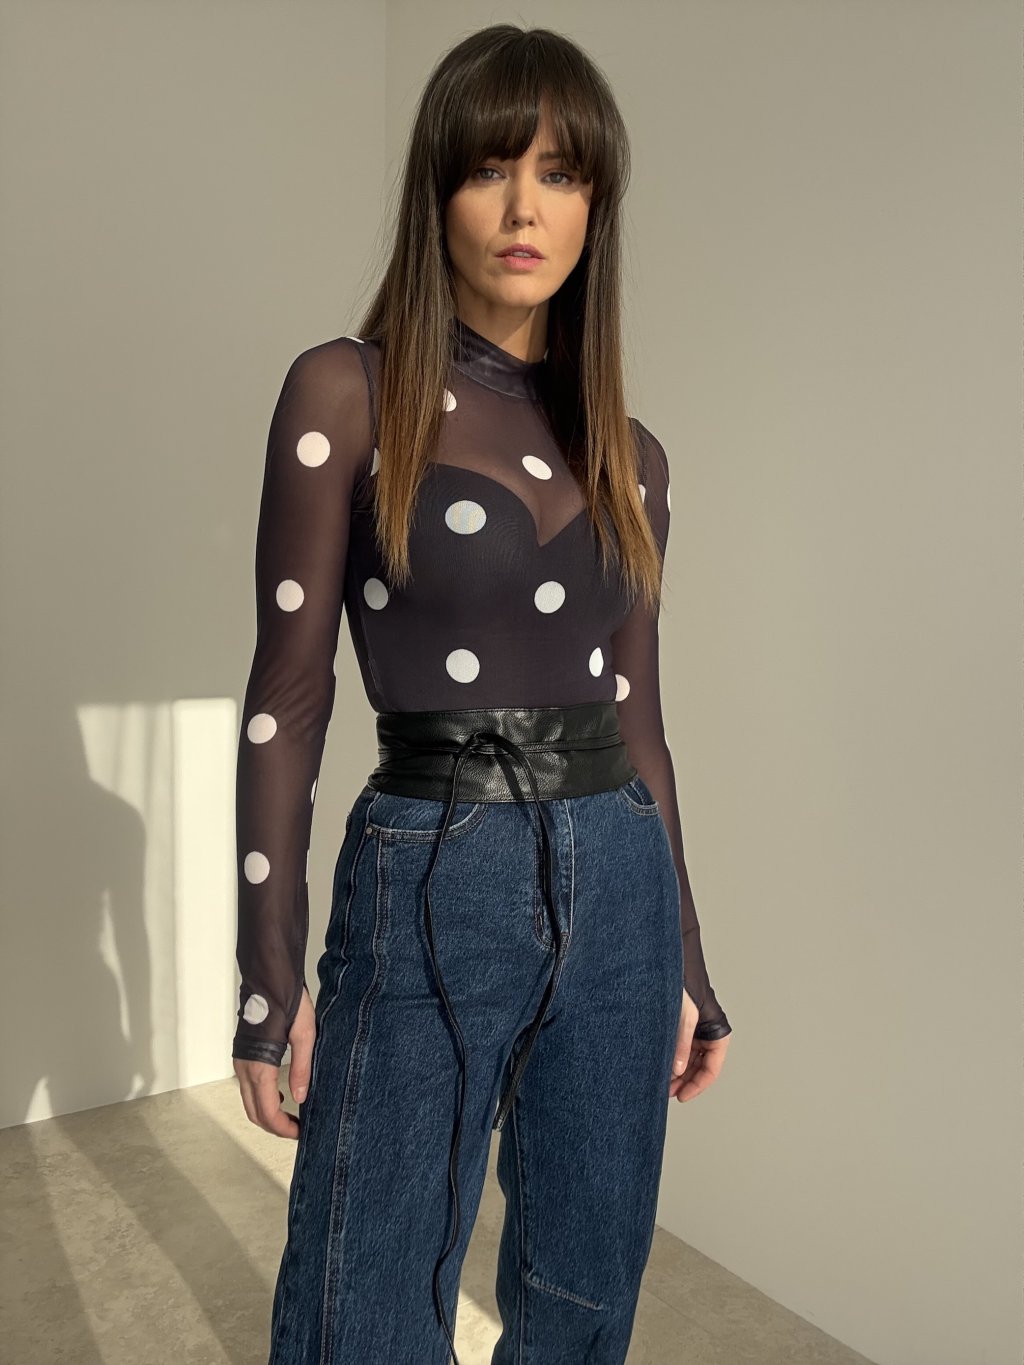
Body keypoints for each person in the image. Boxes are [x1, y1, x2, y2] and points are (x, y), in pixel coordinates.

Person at [231, 22, 732, 1365]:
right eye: (490, 168)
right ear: (436, 191)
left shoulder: (633, 454)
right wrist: (268, 979)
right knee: (365, 1290)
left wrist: (687, 959)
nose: (524, 209)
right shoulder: (346, 392)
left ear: (597, 206)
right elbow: (287, 695)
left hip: (619, 876)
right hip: (433, 862)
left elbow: (642, 725)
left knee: (586, 1283)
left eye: (561, 174)